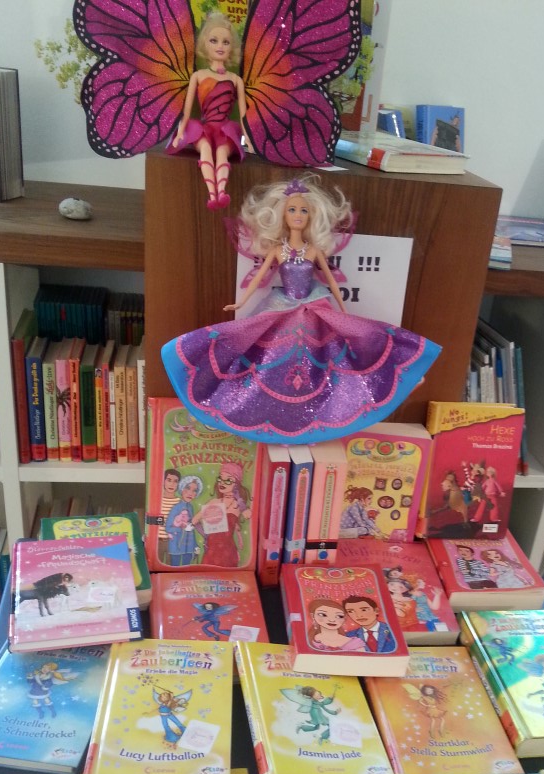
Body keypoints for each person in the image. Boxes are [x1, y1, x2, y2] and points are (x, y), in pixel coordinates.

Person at [161, 175, 440, 443]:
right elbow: (258, 279)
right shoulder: (277, 251)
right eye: (292, 210)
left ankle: (339, 400)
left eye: (303, 210)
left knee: (326, 354)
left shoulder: (313, 250)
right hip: (283, 306)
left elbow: (330, 281)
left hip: (313, 305)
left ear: (311, 216)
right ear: (282, 215)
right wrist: (241, 303)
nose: (297, 215)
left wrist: (343, 311)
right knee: (267, 355)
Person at [167, 12, 247, 209]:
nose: (220, 46)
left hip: (225, 129)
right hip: (204, 128)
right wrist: (179, 133)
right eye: (214, 40)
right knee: (204, 148)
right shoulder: (198, 75)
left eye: (226, 42)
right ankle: (212, 195)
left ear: (232, 47)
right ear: (205, 44)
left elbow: (243, 115)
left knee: (221, 152)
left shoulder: (236, 80)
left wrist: (248, 139)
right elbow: (186, 110)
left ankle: (222, 193)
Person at [191, 462, 252, 568]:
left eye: (228, 480)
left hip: (229, 552)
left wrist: (239, 499)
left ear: (237, 484)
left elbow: (247, 515)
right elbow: (194, 520)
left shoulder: (237, 504)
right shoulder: (214, 502)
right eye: (220, 478)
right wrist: (206, 535)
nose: (222, 483)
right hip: (211, 551)